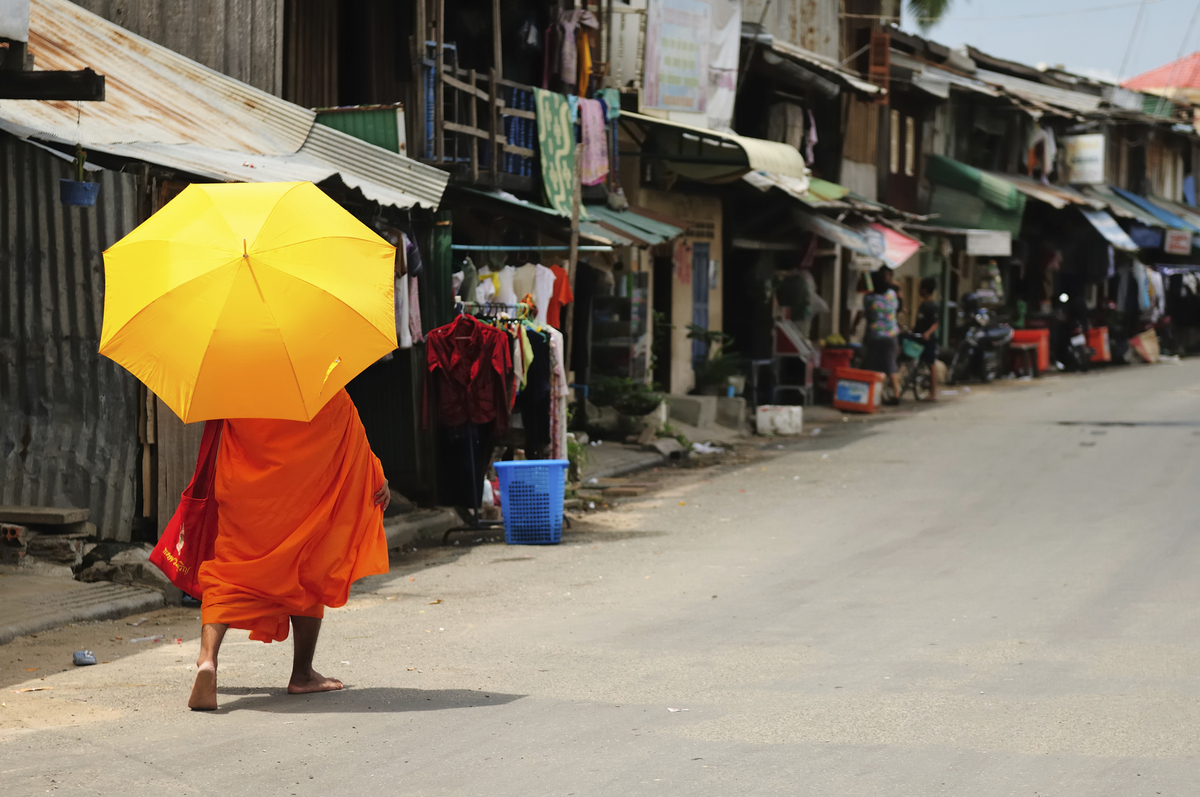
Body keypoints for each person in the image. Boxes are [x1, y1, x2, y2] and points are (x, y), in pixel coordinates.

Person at [187, 388, 391, 711]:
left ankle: (207, 659)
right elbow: (348, 432)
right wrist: (376, 473)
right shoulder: (316, 380)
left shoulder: (233, 381)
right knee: (310, 565)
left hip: (246, 493)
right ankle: (302, 673)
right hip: (306, 490)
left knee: (229, 571)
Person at [862, 266, 902, 404]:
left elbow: (866, 314)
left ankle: (873, 395)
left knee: (873, 365)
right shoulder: (891, 294)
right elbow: (896, 308)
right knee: (891, 365)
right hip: (891, 334)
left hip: (875, 335)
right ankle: (896, 392)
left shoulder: (869, 298)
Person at [912, 276, 940, 401]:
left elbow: (935, 323)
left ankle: (932, 393)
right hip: (918, 337)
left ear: (925, 289)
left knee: (931, 365)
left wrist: (928, 333)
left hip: (928, 340)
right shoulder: (922, 305)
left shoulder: (933, 306)